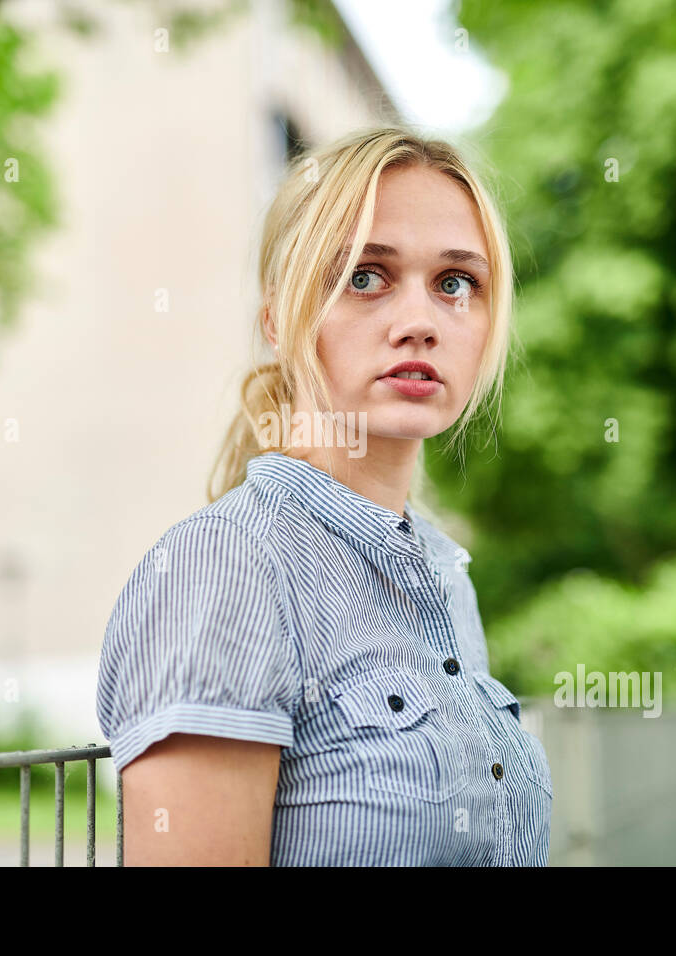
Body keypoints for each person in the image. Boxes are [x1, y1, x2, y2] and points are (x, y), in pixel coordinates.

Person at [96, 125, 552, 865]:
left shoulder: (443, 578)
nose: (421, 324)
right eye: (366, 277)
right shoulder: (226, 568)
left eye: (455, 283)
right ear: (277, 319)